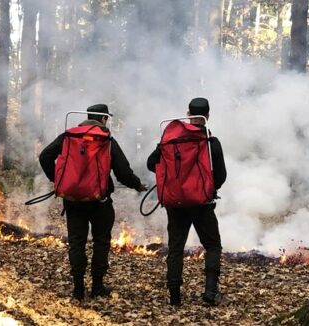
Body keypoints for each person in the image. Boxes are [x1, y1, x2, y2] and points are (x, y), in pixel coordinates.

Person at [39, 104, 147, 301]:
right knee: (101, 242)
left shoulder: (69, 137)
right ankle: (97, 286)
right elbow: (123, 172)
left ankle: (78, 289)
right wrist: (138, 185)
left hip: (73, 201)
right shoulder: (106, 140)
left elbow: (45, 156)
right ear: (104, 119)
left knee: (76, 244)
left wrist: (57, 180)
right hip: (100, 202)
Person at [147, 97, 227, 307]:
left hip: (175, 203)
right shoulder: (211, 142)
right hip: (202, 203)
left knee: (175, 248)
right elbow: (221, 175)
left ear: (189, 114)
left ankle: (175, 297)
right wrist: (210, 189)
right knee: (212, 245)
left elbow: (150, 163)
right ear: (207, 116)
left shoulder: (170, 139)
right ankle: (210, 292)